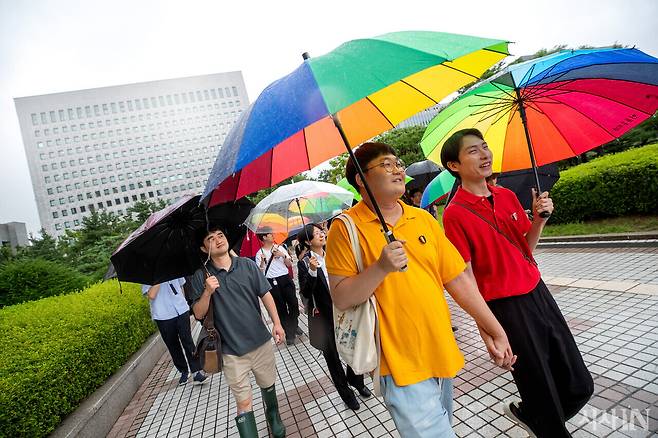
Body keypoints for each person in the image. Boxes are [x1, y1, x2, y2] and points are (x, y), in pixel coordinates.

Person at [325, 142, 516, 437]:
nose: (398, 170)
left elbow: (457, 279)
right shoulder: (345, 228)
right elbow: (341, 295)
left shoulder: (423, 218)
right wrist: (380, 268)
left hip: (438, 350)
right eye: (386, 164)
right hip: (398, 363)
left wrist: (494, 328)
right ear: (361, 179)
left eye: (397, 163)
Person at [440, 128, 593, 438]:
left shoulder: (506, 196)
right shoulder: (455, 214)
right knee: (540, 388)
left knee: (579, 384)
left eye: (485, 147)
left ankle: (533, 416)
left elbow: (525, 246)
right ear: (454, 165)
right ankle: (543, 420)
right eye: (473, 151)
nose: (484, 154)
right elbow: (465, 278)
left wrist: (539, 219)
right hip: (507, 308)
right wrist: (488, 333)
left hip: (538, 292)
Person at [189, 226, 286, 438]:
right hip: (231, 352)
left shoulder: (247, 265)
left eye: (221, 235)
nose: (218, 240)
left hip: (260, 342)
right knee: (243, 402)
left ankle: (273, 416)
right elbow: (198, 313)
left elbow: (265, 294)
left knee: (268, 385)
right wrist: (207, 292)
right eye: (210, 239)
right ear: (204, 248)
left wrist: (277, 323)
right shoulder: (200, 277)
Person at [297, 223, 371, 411]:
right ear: (307, 241)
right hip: (323, 316)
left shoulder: (334, 252)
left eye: (321, 232)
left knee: (352, 346)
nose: (321, 235)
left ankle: (356, 380)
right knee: (333, 357)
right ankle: (345, 393)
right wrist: (313, 272)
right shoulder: (305, 263)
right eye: (316, 234)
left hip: (344, 308)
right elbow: (305, 292)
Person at [142, 278, 208, 386]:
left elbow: (181, 285)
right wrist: (159, 276)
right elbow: (151, 295)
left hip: (181, 309)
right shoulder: (147, 275)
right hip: (163, 315)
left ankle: (196, 371)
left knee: (187, 341)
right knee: (173, 345)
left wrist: (182, 301)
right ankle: (183, 371)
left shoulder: (173, 267)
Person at [255, 227, 300, 345]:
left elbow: (289, 264)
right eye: (270, 233)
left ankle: (293, 325)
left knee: (294, 304)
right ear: (264, 237)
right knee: (281, 308)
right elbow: (259, 274)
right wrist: (262, 263)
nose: (273, 235)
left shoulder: (280, 247)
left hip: (285, 279)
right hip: (272, 282)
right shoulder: (259, 253)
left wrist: (282, 255)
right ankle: (290, 334)